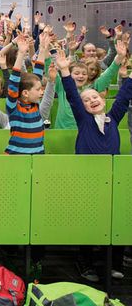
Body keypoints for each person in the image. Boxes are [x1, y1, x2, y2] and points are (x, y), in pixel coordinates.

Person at [56, 47, 132, 282]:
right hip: (87, 180)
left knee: (115, 217)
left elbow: (123, 98)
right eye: (87, 100)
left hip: (112, 179)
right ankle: (86, 262)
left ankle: (114, 262)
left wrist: (127, 75)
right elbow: (71, 94)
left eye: (95, 98)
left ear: (102, 99)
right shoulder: (84, 121)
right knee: (88, 221)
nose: (92, 101)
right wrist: (65, 71)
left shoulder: (113, 118)